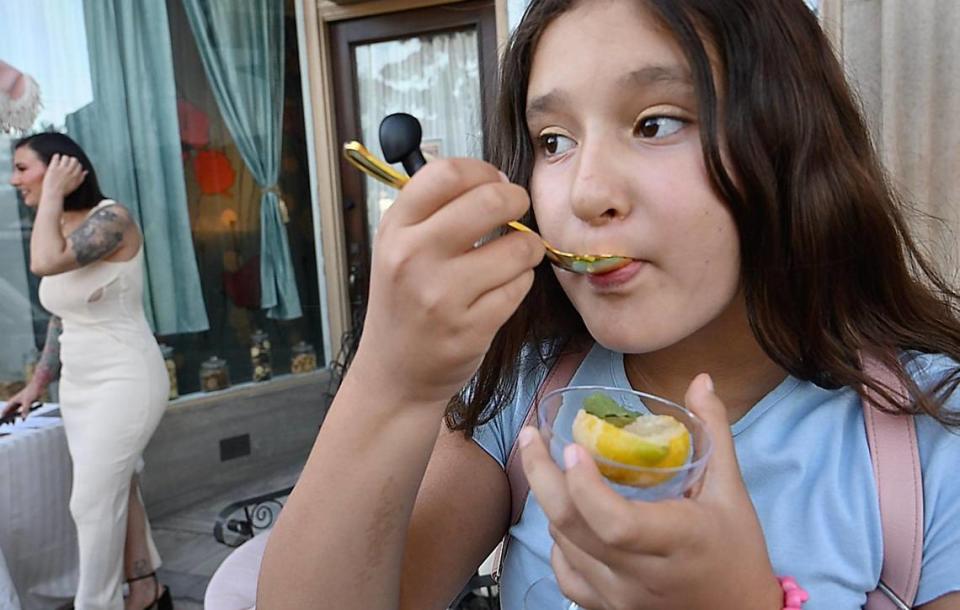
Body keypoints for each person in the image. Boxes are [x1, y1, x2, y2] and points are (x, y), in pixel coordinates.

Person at [257, 0, 960, 608]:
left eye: (656, 123)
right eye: (553, 142)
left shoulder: (933, 444)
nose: (586, 194)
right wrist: (393, 379)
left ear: (790, 140)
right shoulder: (522, 395)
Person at [3, 132, 173, 610]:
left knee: (91, 504)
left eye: (22, 168)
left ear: (61, 167)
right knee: (119, 486)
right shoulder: (58, 222)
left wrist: (51, 195)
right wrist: (37, 383)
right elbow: (62, 312)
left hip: (126, 379)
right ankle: (146, 590)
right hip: (79, 384)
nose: (15, 180)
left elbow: (44, 264)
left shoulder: (112, 220)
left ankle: (97, 604)